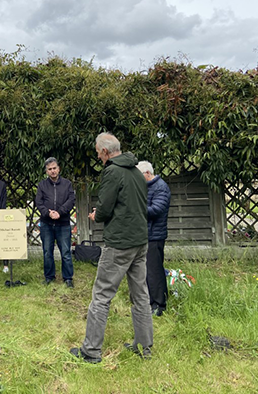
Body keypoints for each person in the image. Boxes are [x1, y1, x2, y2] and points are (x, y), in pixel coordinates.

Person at [71, 132, 153, 363]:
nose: (98, 156)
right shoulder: (137, 172)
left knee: (101, 296)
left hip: (119, 243)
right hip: (140, 241)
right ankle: (143, 347)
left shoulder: (112, 172)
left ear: (106, 152)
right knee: (140, 295)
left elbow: (105, 210)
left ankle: (91, 351)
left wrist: (97, 215)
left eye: (98, 152)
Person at [136, 160, 171, 317]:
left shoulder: (161, 187)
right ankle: (150, 301)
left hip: (155, 236)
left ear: (147, 174)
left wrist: (136, 209)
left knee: (155, 270)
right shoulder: (146, 187)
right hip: (145, 235)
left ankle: (159, 305)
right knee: (147, 270)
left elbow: (156, 209)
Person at [35, 157, 76, 287]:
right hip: (47, 223)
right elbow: (39, 203)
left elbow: (71, 200)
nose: (52, 171)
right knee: (47, 252)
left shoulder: (67, 184)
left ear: (59, 169)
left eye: (54, 168)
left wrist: (60, 212)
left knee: (66, 252)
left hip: (63, 223)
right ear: (46, 171)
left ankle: (68, 278)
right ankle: (49, 277)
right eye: (50, 169)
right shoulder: (42, 185)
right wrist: (49, 213)